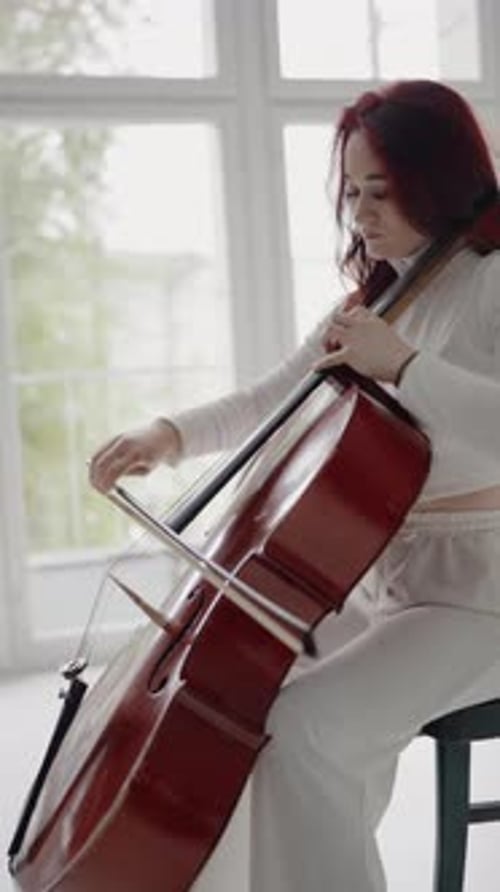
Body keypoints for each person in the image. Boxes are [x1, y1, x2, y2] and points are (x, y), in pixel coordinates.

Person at [89, 80, 500, 891]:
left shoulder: (490, 282)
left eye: (382, 190)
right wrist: (165, 436)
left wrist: (407, 368)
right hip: (383, 582)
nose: (361, 213)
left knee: (306, 728)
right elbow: (270, 398)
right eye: (351, 191)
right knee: (237, 708)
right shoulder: (386, 294)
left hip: (482, 595)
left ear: (442, 179)